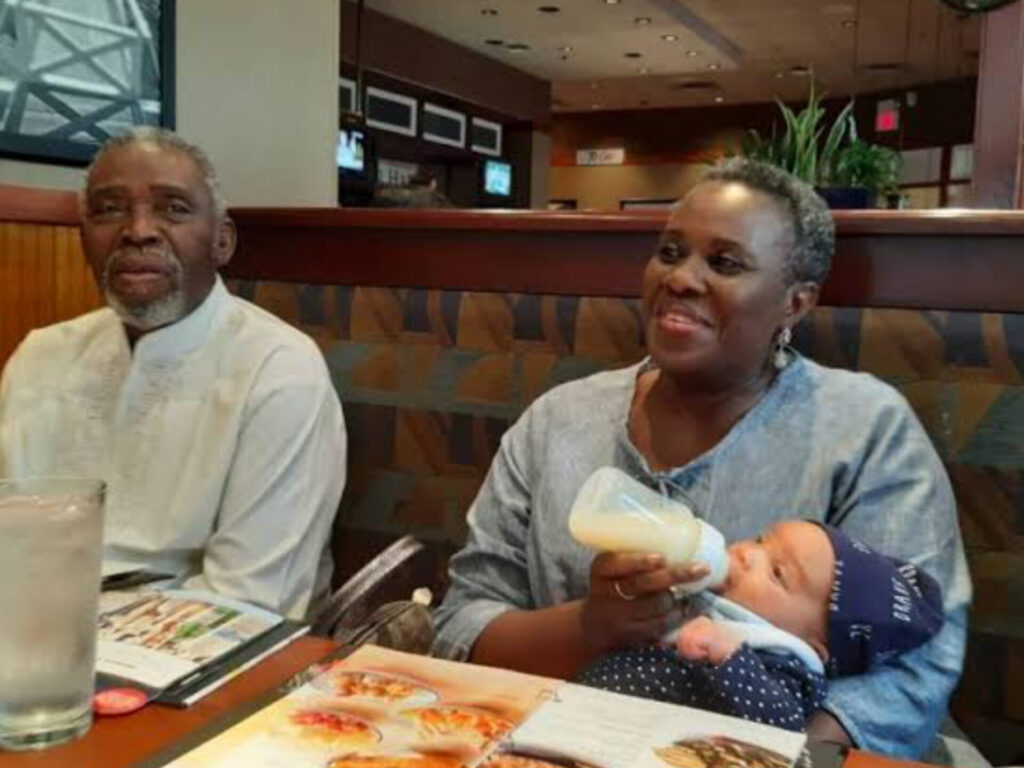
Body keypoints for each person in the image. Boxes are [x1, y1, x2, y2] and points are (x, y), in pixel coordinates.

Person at [432, 158, 970, 758]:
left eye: (724, 263)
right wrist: (590, 627)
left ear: (795, 302)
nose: (681, 278)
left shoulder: (865, 431)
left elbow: (911, 672)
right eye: (669, 252)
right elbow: (461, 625)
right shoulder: (558, 422)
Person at [0, 128, 346, 620]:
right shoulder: (42, 355)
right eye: (109, 209)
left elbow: (248, 603)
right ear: (83, 237)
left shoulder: (279, 371)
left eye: (173, 208)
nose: (138, 230)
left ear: (221, 241)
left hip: (204, 658)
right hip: (27, 641)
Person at [576, 520, 945, 732]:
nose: (747, 553)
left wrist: (729, 657)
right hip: (583, 720)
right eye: (760, 541)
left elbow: (781, 725)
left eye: (776, 572)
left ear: (816, 643)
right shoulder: (703, 601)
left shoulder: (785, 662)